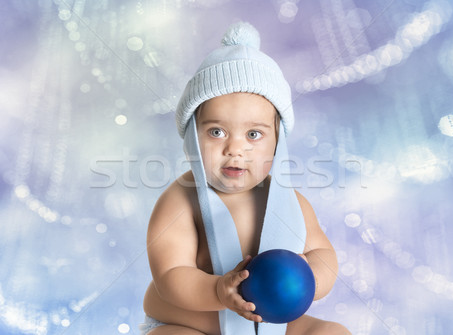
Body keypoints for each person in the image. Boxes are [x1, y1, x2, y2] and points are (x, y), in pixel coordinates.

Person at [141, 22, 349, 335]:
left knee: (332, 332)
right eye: (216, 132)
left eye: (254, 134)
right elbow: (170, 274)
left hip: (269, 325)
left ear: (278, 143)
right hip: (195, 322)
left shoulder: (291, 204)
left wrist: (309, 278)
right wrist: (217, 291)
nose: (235, 148)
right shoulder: (181, 202)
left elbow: (323, 254)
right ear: (191, 140)